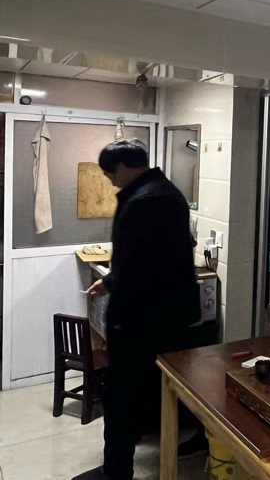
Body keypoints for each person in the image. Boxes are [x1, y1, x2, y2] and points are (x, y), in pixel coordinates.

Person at [73, 140, 200, 480]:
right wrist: (110, 281)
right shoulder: (165, 191)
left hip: (141, 319)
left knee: (120, 396)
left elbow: (138, 266)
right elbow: (151, 256)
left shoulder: (146, 200)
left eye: (109, 173)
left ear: (123, 167)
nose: (110, 180)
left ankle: (116, 472)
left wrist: (117, 321)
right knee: (151, 390)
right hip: (165, 314)